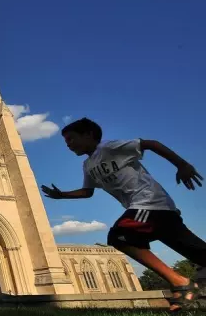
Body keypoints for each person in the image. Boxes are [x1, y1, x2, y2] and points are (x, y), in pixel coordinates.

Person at [41, 118, 204, 312]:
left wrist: (182, 165)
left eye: (71, 139)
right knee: (199, 253)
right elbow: (87, 192)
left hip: (150, 203)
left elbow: (151, 144)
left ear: (89, 135)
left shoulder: (110, 148)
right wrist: (62, 195)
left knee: (119, 236)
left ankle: (181, 283)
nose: (68, 144)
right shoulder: (88, 165)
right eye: (66, 141)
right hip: (156, 212)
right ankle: (189, 287)